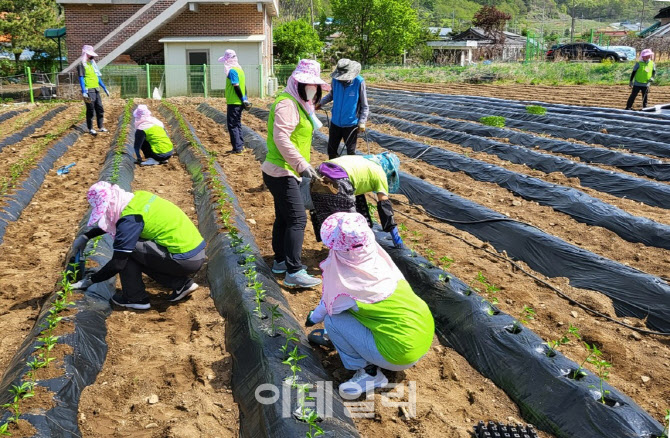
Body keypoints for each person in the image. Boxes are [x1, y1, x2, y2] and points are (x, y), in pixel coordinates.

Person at [305, 212, 434, 396]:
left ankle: (369, 373)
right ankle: (355, 343)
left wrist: (311, 318)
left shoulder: (348, 283)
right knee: (361, 311)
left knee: (334, 320)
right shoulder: (378, 261)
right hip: (422, 333)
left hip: (400, 353)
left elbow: (325, 308)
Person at [70, 181, 206, 310]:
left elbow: (118, 263)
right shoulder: (138, 198)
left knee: (126, 251)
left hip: (184, 260)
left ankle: (134, 298)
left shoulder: (129, 219)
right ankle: (181, 284)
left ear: (110, 204)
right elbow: (121, 221)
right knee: (134, 248)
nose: (106, 214)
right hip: (195, 253)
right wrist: (87, 236)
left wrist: (90, 281)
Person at [261, 59, 330, 288]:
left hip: (286, 170)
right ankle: (294, 271)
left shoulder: (299, 104)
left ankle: (280, 261)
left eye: (315, 86)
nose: (312, 89)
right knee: (297, 219)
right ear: (296, 83)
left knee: (284, 216)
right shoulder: (287, 104)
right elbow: (282, 138)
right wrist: (301, 164)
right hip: (283, 171)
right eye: (308, 85)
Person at [309, 152, 404, 248]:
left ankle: (334, 250)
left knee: (329, 220)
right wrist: (395, 236)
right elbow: (385, 206)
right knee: (350, 225)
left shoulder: (363, 160)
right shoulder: (380, 173)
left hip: (318, 173)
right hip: (338, 181)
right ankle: (348, 254)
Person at [316, 59, 369, 159]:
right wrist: (320, 103)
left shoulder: (359, 82)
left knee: (351, 152)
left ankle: (349, 173)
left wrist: (362, 121)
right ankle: (333, 172)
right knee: (331, 150)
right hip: (335, 122)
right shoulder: (335, 80)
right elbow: (332, 94)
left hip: (350, 124)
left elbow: (365, 105)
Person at [219, 49, 252, 153]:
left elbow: (236, 86)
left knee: (232, 125)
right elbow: (244, 86)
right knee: (237, 124)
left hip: (234, 102)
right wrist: (245, 98)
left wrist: (242, 99)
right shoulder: (240, 70)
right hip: (239, 102)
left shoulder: (232, 71)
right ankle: (240, 146)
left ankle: (237, 148)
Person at [77, 45, 110, 136]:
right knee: (90, 109)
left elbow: (97, 77)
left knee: (100, 108)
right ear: (86, 54)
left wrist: (104, 88)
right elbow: (81, 79)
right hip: (88, 90)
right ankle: (90, 128)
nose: (93, 57)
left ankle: (101, 127)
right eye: (90, 55)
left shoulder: (92, 64)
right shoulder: (81, 65)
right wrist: (84, 91)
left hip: (96, 89)